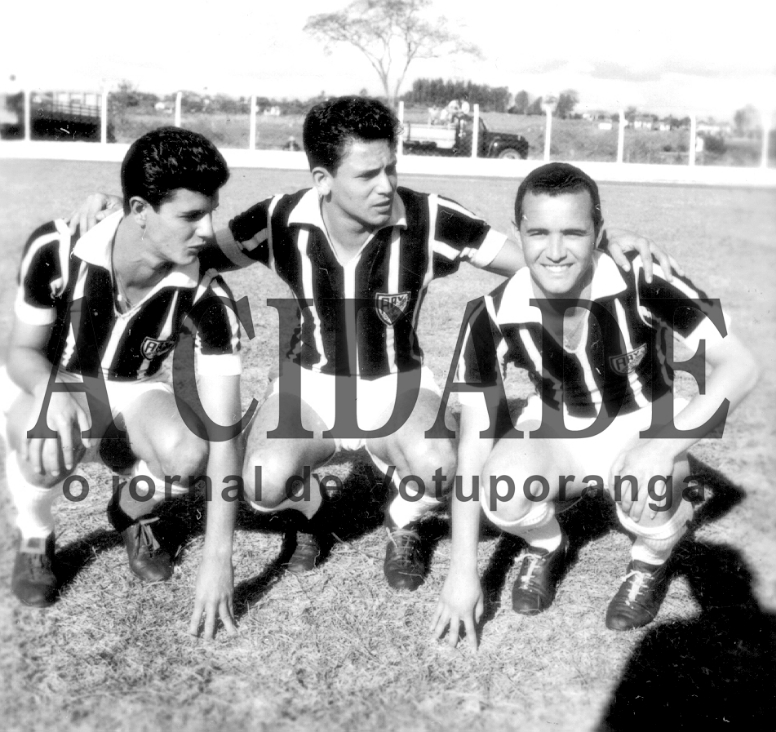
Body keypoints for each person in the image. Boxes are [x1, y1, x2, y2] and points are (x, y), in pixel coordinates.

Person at [70, 97, 675, 594]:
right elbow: (189, 243)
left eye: (391, 167)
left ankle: (403, 519)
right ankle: (312, 511)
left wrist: (604, 238)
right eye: (368, 174)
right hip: (310, 388)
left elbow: (538, 262)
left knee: (440, 467)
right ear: (322, 179)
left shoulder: (428, 216)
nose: (387, 184)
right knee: (261, 481)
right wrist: (108, 214)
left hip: (400, 385)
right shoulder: (280, 220)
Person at [431, 162, 758, 649]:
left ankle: (650, 557)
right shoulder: (490, 312)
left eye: (574, 232)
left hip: (641, 423)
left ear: (598, 233)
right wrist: (461, 572)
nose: (556, 250)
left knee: (651, 475)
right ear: (517, 231)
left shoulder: (641, 279)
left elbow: (741, 366)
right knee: (500, 487)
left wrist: (661, 449)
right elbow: (473, 444)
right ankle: (546, 545)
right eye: (538, 232)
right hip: (558, 429)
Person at [2, 127, 244, 640]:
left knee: (188, 451)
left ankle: (132, 508)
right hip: (56, 380)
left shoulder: (206, 293)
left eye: (211, 211)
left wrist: (218, 557)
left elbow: (225, 432)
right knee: (39, 433)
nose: (207, 230)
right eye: (191, 215)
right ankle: (36, 536)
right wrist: (54, 391)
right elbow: (20, 351)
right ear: (138, 208)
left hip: (135, 389)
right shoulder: (59, 244)